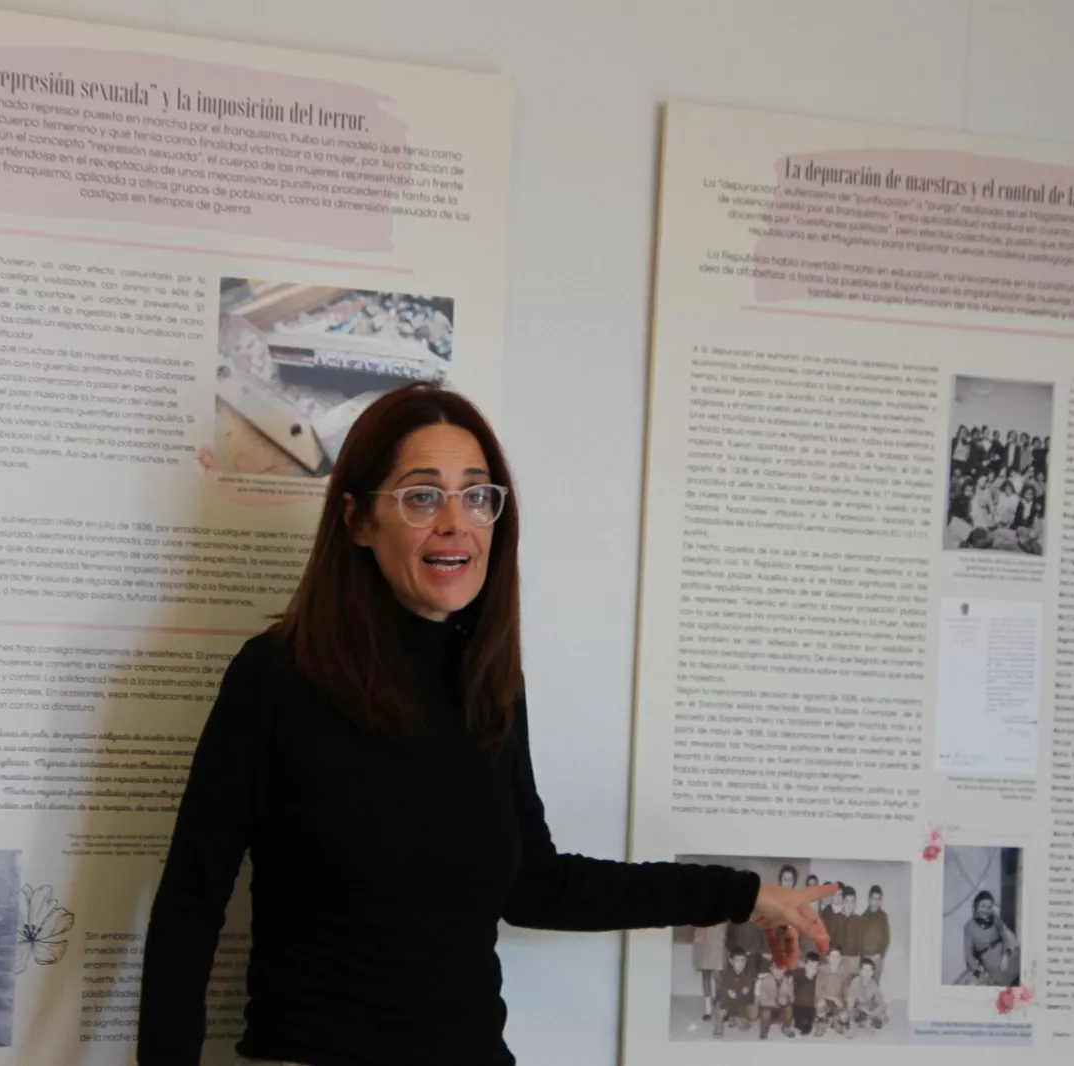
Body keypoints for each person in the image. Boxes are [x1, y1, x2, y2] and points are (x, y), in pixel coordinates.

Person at [137, 384, 834, 1066]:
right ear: (356, 521)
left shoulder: (487, 683)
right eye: (421, 496)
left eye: (476, 495)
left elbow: (536, 885)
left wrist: (742, 895)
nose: (456, 521)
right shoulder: (277, 676)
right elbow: (191, 900)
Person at [961, 890, 1020, 986]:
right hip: (990, 961)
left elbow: (1005, 937)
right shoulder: (969, 927)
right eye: (983, 906)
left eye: (989, 907)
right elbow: (969, 955)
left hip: (1006, 954)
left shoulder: (995, 918)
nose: (986, 910)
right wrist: (979, 973)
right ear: (976, 905)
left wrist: (1005, 956)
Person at [712, 946, 756, 1038]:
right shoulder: (726, 973)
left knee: (751, 1015)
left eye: (743, 960)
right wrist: (728, 991)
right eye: (738, 961)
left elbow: (749, 990)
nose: (741, 964)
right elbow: (721, 988)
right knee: (719, 1009)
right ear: (731, 962)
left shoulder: (747, 974)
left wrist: (747, 989)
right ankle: (719, 1028)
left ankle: (736, 1017)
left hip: (739, 1001)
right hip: (726, 1002)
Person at [853, 884, 891, 985]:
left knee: (875, 987)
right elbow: (859, 939)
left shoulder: (883, 917)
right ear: (869, 899)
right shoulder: (862, 918)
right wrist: (864, 957)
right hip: (865, 958)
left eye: (879, 899)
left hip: (877, 959)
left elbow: (886, 938)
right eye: (874, 898)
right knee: (864, 986)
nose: (876, 901)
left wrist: (880, 954)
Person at [692, 922, 727, 1021]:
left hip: (717, 938)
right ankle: (708, 1009)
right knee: (705, 975)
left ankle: (719, 1004)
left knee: (718, 975)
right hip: (702, 938)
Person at [846, 957, 888, 1031]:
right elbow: (850, 999)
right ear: (860, 971)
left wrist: (871, 1013)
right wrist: (854, 1009)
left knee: (883, 1017)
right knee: (846, 1016)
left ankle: (866, 1021)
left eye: (869, 970)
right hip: (857, 1008)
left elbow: (882, 1004)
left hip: (869, 1009)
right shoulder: (855, 982)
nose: (867, 973)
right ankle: (861, 1022)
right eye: (865, 970)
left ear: (873, 973)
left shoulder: (874, 985)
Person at [813, 947, 847, 1035]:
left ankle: (835, 1021)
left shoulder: (844, 972)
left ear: (840, 958)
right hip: (824, 998)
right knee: (821, 1004)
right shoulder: (821, 970)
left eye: (837, 957)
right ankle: (821, 1024)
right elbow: (818, 990)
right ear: (828, 958)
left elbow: (846, 990)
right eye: (832, 957)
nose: (835, 960)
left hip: (837, 1000)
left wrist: (844, 1003)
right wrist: (832, 998)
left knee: (845, 1017)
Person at [755, 963, 792, 1040]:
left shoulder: (787, 981)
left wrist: (787, 1000)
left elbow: (791, 998)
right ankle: (764, 1030)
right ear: (771, 969)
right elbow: (763, 1000)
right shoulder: (765, 980)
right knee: (765, 1011)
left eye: (781, 969)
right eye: (775, 969)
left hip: (781, 1010)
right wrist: (776, 1002)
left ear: (785, 969)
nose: (778, 971)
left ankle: (786, 1027)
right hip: (769, 1010)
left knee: (789, 1008)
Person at [791, 952, 820, 1036]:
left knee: (806, 1029)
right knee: (799, 1025)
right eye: (810, 966)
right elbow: (787, 973)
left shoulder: (819, 975)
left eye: (815, 967)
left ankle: (809, 1022)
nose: (812, 969)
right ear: (805, 965)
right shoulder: (799, 973)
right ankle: (801, 1021)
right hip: (799, 1006)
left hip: (812, 1006)